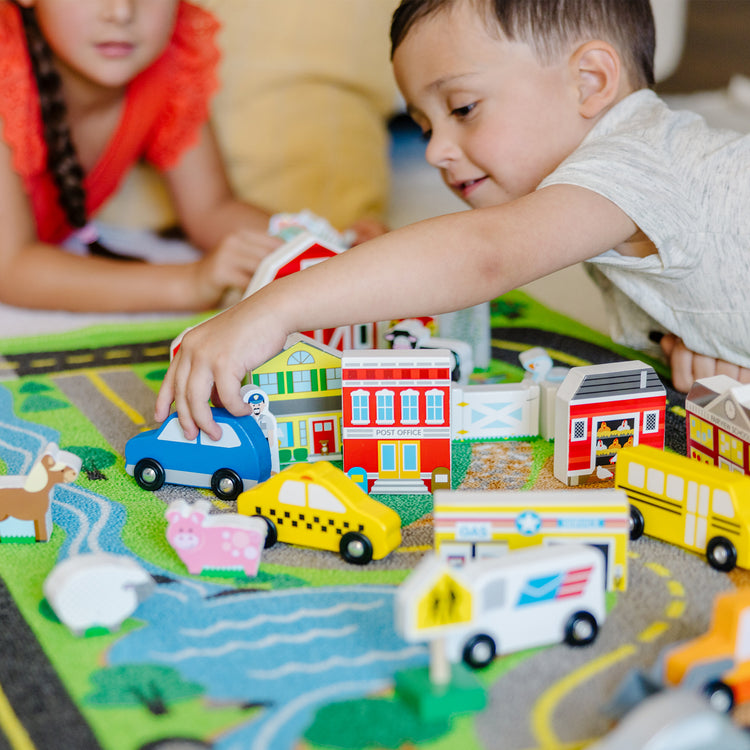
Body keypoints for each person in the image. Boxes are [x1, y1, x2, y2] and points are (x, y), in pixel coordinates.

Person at [157, 0, 750, 440]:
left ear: (590, 81)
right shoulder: (617, 196)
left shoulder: (640, 159)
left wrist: (274, 307)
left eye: (463, 108)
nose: (437, 149)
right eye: (423, 126)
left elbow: (483, 255)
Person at [0, 0, 283, 313]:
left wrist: (320, 248)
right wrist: (191, 283)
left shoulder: (172, 60)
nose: (121, 12)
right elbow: (9, 266)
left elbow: (212, 209)